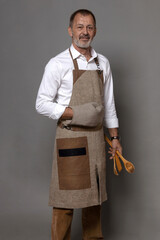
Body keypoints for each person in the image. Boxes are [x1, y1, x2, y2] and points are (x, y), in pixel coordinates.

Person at [36, 9, 122, 240]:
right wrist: (76, 112)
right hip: (70, 138)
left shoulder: (102, 63)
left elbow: (109, 105)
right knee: (65, 202)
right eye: (80, 27)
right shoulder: (57, 63)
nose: (85, 32)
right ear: (70, 30)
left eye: (89, 27)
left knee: (94, 201)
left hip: (95, 139)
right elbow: (41, 103)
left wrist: (114, 138)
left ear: (95, 30)